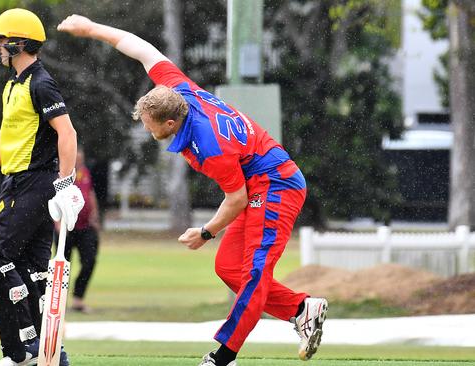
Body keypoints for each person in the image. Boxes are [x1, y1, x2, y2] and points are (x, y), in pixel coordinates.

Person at [57, 15, 328, 366]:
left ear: (170, 123)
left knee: (255, 272)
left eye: (150, 124)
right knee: (230, 268)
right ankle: (302, 309)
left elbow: (237, 199)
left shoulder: (210, 146)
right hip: (257, 183)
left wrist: (205, 231)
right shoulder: (177, 91)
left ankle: (222, 357)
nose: (146, 126)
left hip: (276, 184)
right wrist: (92, 29)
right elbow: (142, 50)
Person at [0, 8, 84, 366]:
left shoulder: (41, 82)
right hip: (17, 182)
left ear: (18, 43)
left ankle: (21, 352)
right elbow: (6, 136)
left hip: (34, 183)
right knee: (34, 271)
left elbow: (67, 132)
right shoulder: (14, 84)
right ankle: (51, 354)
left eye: (1, 43)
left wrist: (66, 183)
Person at [57, 147, 100, 313]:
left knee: (89, 261)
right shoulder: (61, 175)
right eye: (76, 159)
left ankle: (78, 299)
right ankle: (58, 301)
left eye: (81, 159)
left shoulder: (85, 173)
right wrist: (58, 223)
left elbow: (90, 193)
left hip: (85, 226)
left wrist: (94, 215)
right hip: (66, 228)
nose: (79, 162)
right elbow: (55, 198)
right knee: (63, 265)